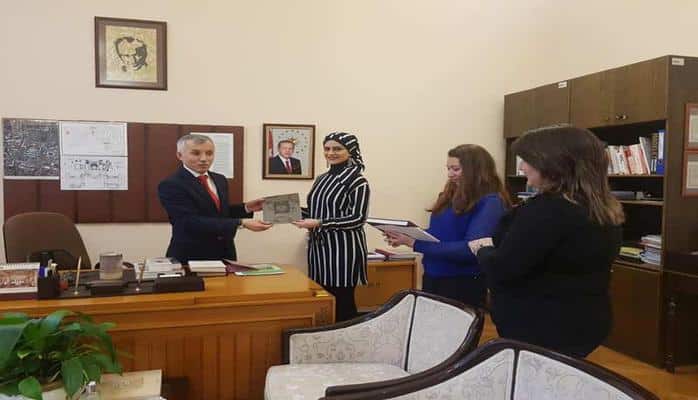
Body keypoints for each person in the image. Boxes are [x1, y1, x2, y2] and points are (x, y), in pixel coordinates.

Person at [468, 125, 624, 358]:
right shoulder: (603, 208)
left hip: (541, 326)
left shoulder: (547, 211)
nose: (522, 167)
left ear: (553, 164)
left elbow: (503, 269)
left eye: (527, 160)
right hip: (587, 321)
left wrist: (483, 249)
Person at [385, 144, 509, 308]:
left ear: (474, 170)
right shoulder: (448, 196)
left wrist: (414, 243)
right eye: (448, 169)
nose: (450, 174)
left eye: (456, 169)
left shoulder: (490, 202)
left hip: (461, 281)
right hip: (434, 276)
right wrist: (407, 235)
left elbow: (471, 249)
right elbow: (441, 235)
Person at [158, 134, 272, 264]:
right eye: (196, 153)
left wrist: (247, 207)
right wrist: (241, 223)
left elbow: (218, 213)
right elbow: (188, 221)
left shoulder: (219, 179)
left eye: (209, 153)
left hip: (225, 253)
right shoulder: (171, 184)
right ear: (180, 155)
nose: (204, 159)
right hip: (191, 256)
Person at [293, 132, 370, 322]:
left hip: (343, 251)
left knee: (342, 302)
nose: (330, 153)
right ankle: (325, 337)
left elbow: (358, 218)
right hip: (319, 250)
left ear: (350, 151)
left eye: (337, 149)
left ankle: (346, 338)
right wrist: (285, 210)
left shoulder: (358, 181)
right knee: (323, 298)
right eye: (327, 149)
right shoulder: (322, 179)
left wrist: (320, 223)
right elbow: (315, 212)